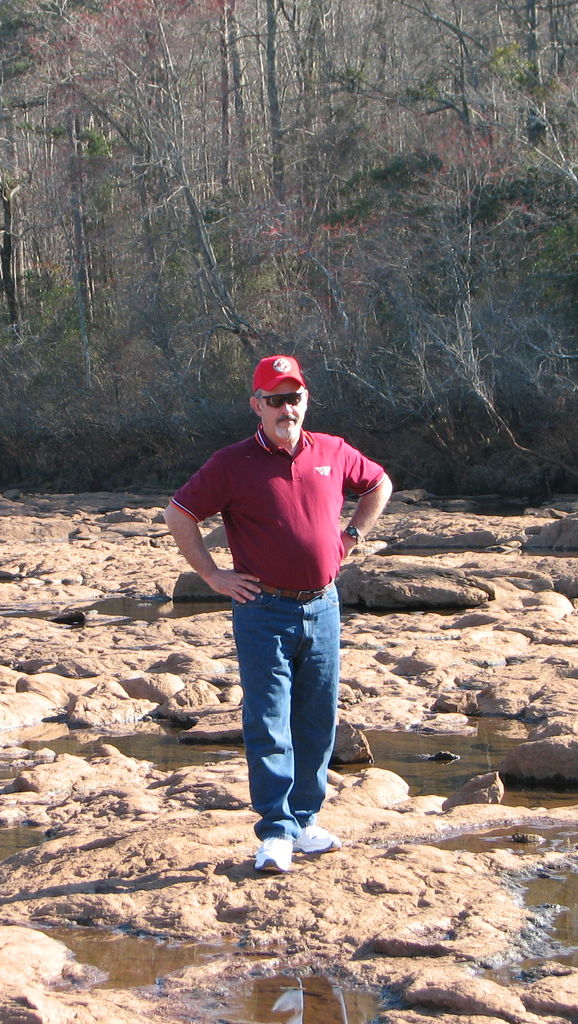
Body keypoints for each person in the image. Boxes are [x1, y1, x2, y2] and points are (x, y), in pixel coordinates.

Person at [163, 355, 392, 873]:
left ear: (305, 400)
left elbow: (379, 484)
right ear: (256, 406)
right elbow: (178, 515)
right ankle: (275, 832)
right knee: (269, 722)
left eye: (294, 397)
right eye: (275, 399)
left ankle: (307, 821)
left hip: (324, 606)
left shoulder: (332, 450)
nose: (286, 408)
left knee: (317, 719)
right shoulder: (231, 462)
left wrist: (352, 535)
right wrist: (213, 576)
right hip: (262, 609)